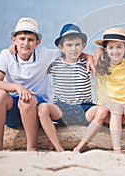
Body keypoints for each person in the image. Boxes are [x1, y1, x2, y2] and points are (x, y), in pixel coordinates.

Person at [0, 17, 61, 151]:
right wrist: (18, 87)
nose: (25, 43)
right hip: (13, 110)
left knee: (26, 99)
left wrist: (90, 56)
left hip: (36, 109)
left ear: (37, 42)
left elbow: (71, 53)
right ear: (13, 40)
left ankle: (31, 147)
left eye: (30, 40)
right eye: (22, 39)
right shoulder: (6, 55)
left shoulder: (44, 54)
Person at [74, 28, 125, 154]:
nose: (115, 51)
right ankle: (114, 150)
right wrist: (98, 50)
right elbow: (75, 53)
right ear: (106, 49)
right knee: (113, 107)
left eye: (119, 47)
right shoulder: (100, 62)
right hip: (104, 109)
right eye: (111, 47)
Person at [37, 23, 100, 152]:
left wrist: (92, 55)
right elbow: (34, 57)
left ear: (83, 46)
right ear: (61, 47)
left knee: (102, 110)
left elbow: (102, 53)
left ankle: (80, 146)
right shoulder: (54, 64)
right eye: (69, 45)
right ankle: (58, 147)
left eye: (77, 45)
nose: (74, 49)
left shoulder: (87, 63)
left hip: (84, 108)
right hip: (61, 109)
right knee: (42, 108)